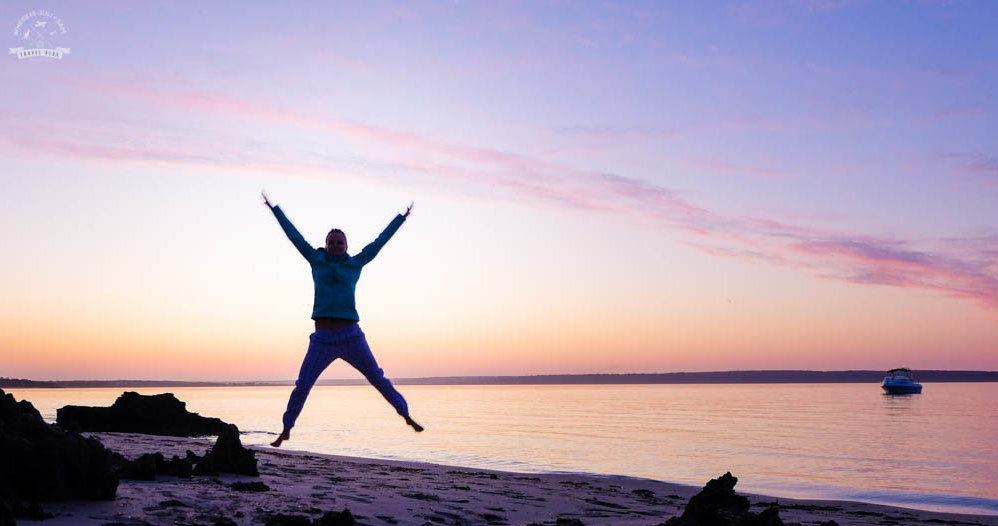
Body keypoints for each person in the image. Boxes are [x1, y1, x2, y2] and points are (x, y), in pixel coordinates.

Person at [262, 191, 423, 448]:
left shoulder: (356, 263)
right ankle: (286, 429)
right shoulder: (316, 260)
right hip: (322, 339)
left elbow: (379, 242)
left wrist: (401, 218)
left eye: (339, 242)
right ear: (326, 245)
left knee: (377, 378)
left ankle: (405, 414)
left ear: (346, 246)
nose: (335, 245)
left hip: (351, 336)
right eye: (331, 242)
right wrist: (274, 209)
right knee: (302, 385)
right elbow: (294, 236)